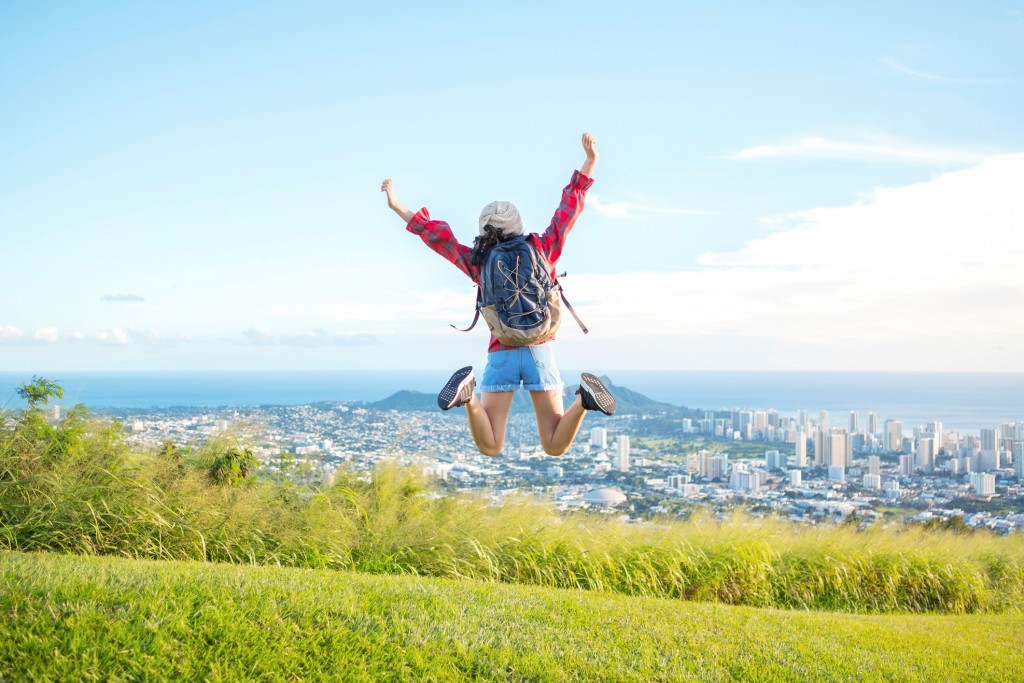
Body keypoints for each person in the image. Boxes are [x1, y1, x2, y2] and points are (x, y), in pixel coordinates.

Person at [381, 132, 615, 457]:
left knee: (491, 446)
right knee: (554, 445)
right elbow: (568, 211)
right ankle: (585, 399)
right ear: (518, 225)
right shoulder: (543, 249)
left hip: (501, 351)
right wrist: (589, 162)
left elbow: (438, 238)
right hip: (540, 350)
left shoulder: (479, 262)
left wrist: (397, 206)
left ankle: (468, 396)